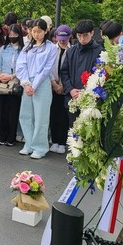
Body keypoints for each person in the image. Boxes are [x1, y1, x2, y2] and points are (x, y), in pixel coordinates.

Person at [17, 19, 58, 157]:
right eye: (33, 31)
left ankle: (40, 147)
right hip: (27, 83)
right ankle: (29, 143)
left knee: (41, 117)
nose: (36, 34)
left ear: (46, 31)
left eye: (39, 31)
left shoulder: (51, 47)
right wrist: (26, 83)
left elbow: (47, 69)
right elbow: (20, 66)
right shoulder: (27, 47)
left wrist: (34, 86)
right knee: (26, 115)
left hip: (42, 84)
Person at [60, 20, 103, 127]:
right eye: (79, 36)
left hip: (90, 99)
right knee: (73, 130)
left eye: (85, 35)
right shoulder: (71, 51)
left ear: (92, 33)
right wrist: (70, 89)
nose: (82, 39)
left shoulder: (99, 51)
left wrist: (86, 92)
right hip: (72, 97)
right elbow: (64, 72)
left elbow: (101, 75)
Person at [0, 24, 23, 146]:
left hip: (15, 82)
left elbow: (23, 67)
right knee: (3, 110)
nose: (12, 37)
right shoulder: (4, 48)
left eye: (15, 34)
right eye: (10, 35)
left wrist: (11, 76)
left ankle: (11, 137)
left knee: (13, 111)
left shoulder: (23, 50)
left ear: (19, 35)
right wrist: (0, 75)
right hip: (3, 83)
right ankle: (2, 136)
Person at [49, 25, 72, 154]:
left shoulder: (72, 50)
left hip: (66, 87)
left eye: (64, 38)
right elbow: (49, 67)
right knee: (54, 114)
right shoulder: (52, 49)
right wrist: (54, 84)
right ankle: (55, 140)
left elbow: (70, 70)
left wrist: (63, 85)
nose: (62, 41)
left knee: (64, 115)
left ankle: (62, 142)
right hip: (53, 85)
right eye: (60, 38)